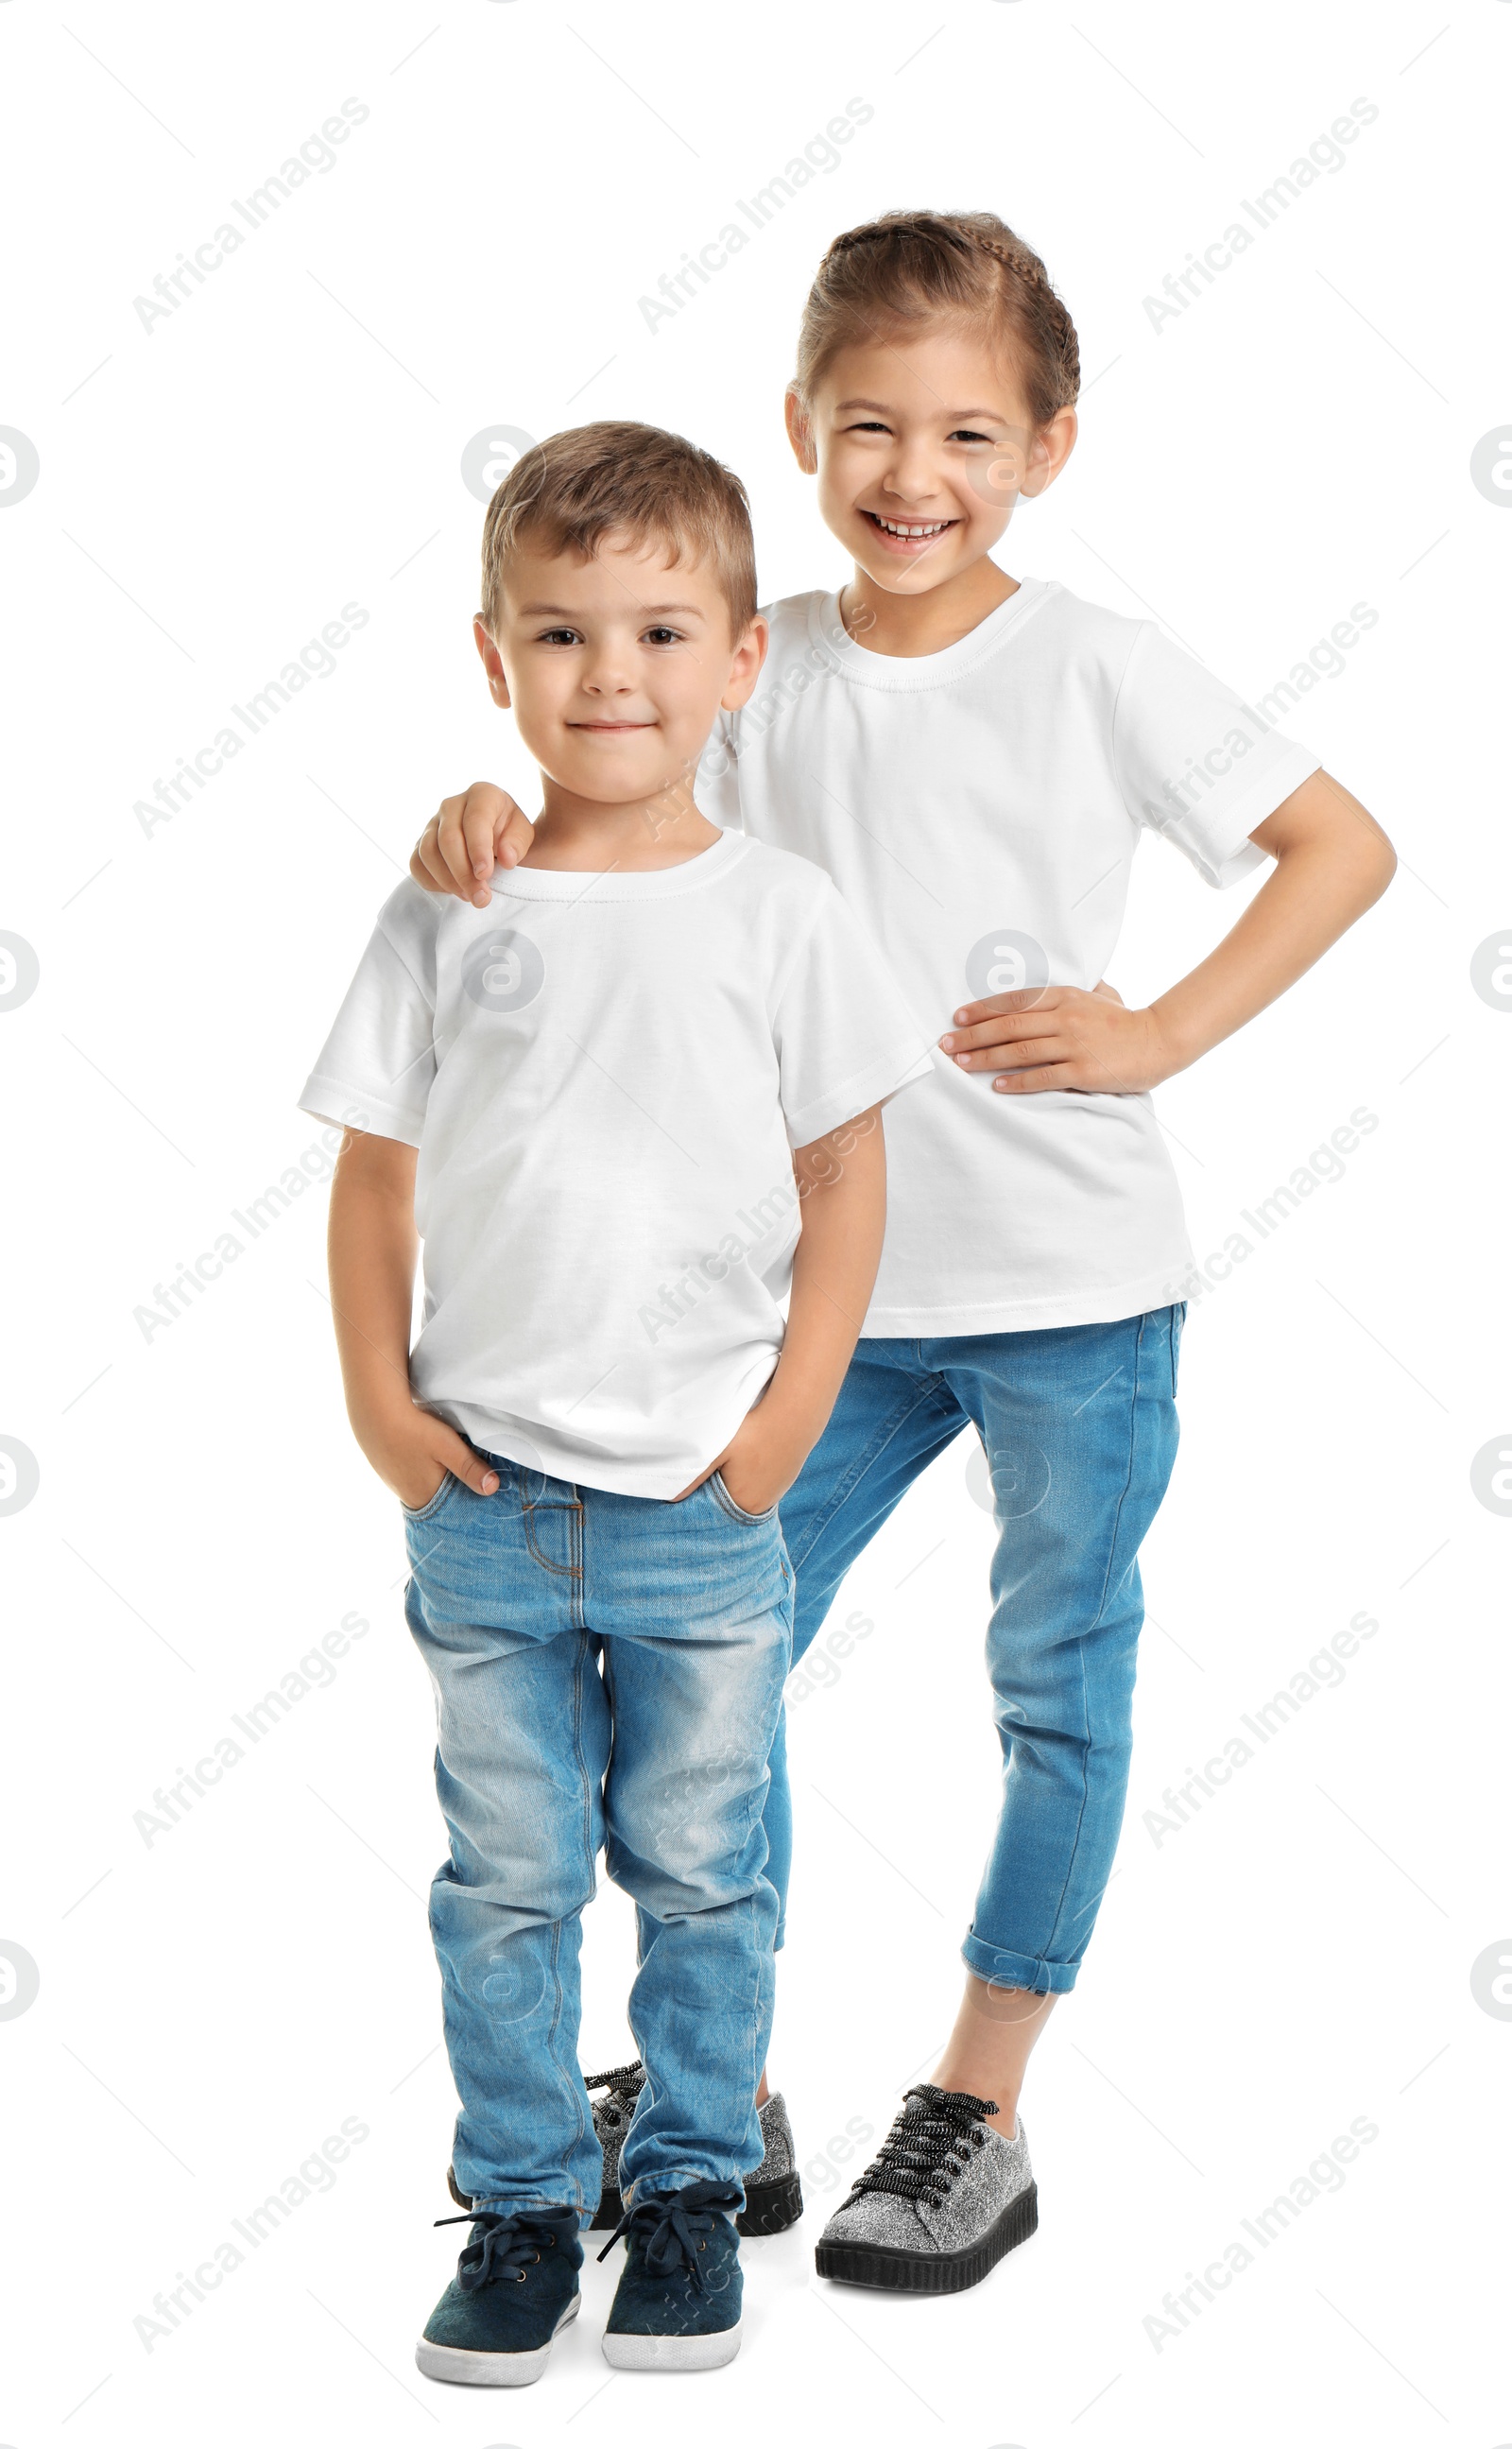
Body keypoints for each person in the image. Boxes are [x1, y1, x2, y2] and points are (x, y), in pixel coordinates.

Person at [402, 209, 1398, 2297]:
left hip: (1071, 1293)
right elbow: (617, 806)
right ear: (797, 431)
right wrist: (479, 817)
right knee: (714, 1671)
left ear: (1043, 446)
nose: (911, 473)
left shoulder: (1096, 666)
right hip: (815, 1313)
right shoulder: (747, 651)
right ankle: (722, 2092)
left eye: (965, 430)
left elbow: (1340, 846)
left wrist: (1154, 1032)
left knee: (1054, 1688)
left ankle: (975, 2100)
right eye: (868, 425)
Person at [300, 421, 930, 2378]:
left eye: (660, 632)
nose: (612, 680)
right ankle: (515, 2203)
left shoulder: (781, 916)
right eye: (562, 636)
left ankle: (678, 2189)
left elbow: (846, 1177)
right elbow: (373, 1170)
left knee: (700, 1867)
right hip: (481, 1495)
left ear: (742, 656)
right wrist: (374, 1405)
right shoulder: (451, 904)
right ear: (493, 659)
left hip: (698, 1504)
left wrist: (784, 1424)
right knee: (502, 1875)